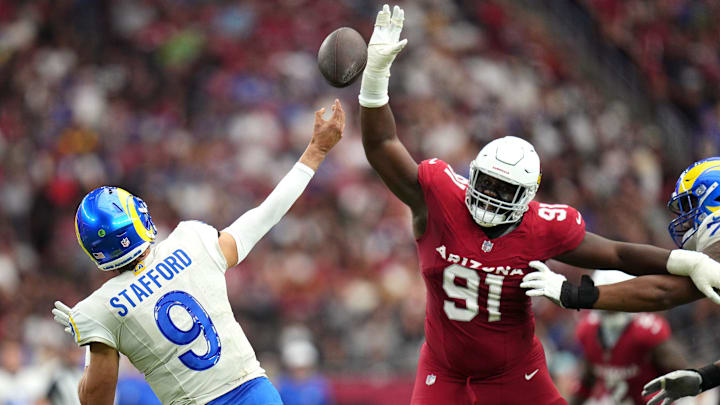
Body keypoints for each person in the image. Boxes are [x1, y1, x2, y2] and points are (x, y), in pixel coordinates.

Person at [357, 5, 720, 404]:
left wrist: (686, 262)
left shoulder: (544, 226)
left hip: (514, 371)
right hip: (443, 368)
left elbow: (617, 254)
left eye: (505, 189)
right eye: (488, 183)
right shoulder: (440, 198)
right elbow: (382, 146)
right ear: (472, 174)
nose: (492, 196)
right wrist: (374, 80)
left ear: (528, 196)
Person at [49, 100, 345, 405]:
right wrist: (315, 152)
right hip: (257, 395)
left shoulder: (101, 309)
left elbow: (96, 401)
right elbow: (264, 215)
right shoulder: (191, 240)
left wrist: (92, 337)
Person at [521, 157, 720, 404]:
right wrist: (707, 377)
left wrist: (574, 294)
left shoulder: (645, 332)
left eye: (690, 206)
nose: (686, 220)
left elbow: (663, 292)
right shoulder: (589, 332)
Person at [570, 271, 687, 405]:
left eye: (616, 300)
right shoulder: (588, 331)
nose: (611, 306)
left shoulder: (647, 330)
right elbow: (586, 382)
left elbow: (680, 372)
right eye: (605, 300)